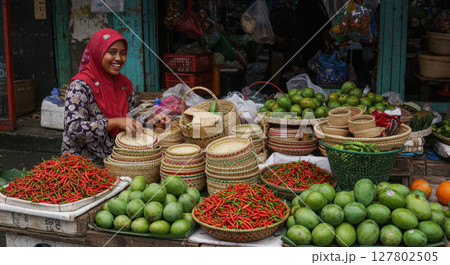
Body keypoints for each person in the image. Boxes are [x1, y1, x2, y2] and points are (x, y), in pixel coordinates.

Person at [61, 29, 170, 166]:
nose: (118, 58)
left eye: (122, 53)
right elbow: (74, 128)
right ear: (98, 53)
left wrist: (150, 120)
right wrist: (114, 122)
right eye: (112, 52)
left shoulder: (124, 84)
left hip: (117, 160)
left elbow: (127, 119)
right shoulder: (80, 86)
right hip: (83, 167)